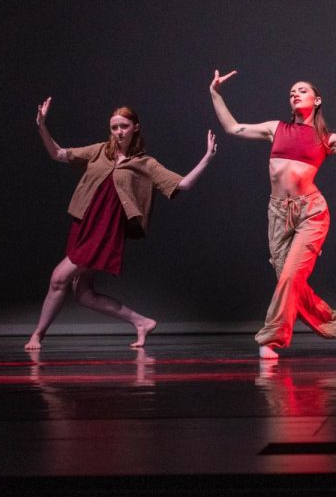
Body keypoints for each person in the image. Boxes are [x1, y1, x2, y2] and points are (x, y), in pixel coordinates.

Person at [209, 71, 336, 359]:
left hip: (311, 213)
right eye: (291, 92)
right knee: (291, 283)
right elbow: (234, 128)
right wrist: (216, 94)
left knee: (289, 280)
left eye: (302, 91)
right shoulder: (276, 128)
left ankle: (271, 338)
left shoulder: (325, 138)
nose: (294, 94)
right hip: (277, 214)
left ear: (316, 100)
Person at [25, 98, 217, 350]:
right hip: (84, 224)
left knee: (58, 278)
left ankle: (37, 335)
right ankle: (142, 322)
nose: (118, 132)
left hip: (104, 231)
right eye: (114, 127)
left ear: (135, 127)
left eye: (124, 126)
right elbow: (58, 153)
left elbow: (182, 184)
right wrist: (42, 125)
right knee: (83, 294)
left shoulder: (144, 163)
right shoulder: (99, 151)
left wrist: (206, 158)